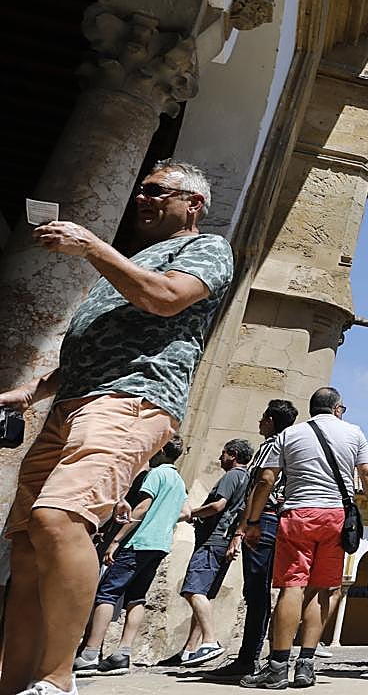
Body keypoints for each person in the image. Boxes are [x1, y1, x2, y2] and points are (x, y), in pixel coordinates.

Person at [0, 160, 234, 695]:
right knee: (29, 545)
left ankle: (58, 679)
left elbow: (166, 299)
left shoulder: (206, 248)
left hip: (132, 398)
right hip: (73, 403)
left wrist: (93, 248)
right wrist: (33, 392)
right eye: (141, 191)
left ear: (192, 203)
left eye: (155, 191)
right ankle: (12, 681)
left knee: (60, 518)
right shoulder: (135, 260)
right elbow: (99, 337)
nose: (141, 199)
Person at [238, 387, 368, 689]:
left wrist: (252, 521)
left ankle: (278, 666)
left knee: (292, 587)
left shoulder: (289, 435)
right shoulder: (354, 433)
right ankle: (306, 665)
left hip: (298, 514)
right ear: (336, 407)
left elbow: (266, 478)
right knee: (322, 589)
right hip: (336, 518)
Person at [73, 436, 190, 676]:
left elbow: (142, 507)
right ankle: (123, 653)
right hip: (160, 544)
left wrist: (116, 540)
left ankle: (90, 654)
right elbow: (186, 512)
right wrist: (164, 520)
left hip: (138, 542)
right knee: (137, 597)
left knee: (107, 592)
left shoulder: (156, 474)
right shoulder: (178, 480)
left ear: (159, 451)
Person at [205, 400, 299, 679]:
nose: (259, 422)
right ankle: (265, 656)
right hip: (277, 521)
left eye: (262, 418)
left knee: (256, 593)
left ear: (270, 420)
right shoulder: (291, 445)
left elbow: (260, 487)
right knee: (264, 592)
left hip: (264, 520)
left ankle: (248, 659)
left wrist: (244, 527)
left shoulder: (271, 447)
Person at [166, 438, 253, 667]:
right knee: (203, 595)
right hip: (224, 542)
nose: (220, 458)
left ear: (233, 454)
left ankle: (210, 640)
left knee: (193, 591)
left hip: (212, 541)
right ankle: (190, 650)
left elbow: (217, 506)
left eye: (223, 453)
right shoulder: (247, 479)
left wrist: (190, 513)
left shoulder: (232, 476)